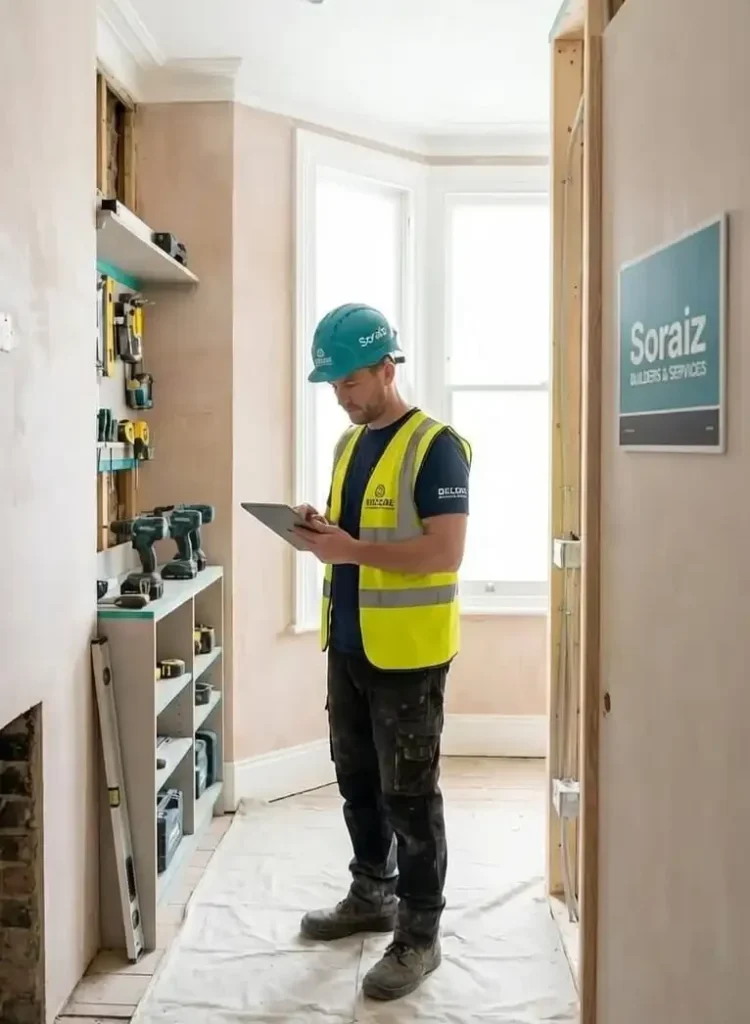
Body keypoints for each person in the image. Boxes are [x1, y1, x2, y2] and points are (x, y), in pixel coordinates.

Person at [293, 303, 472, 1002]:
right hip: (349, 642)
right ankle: (373, 894)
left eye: (351, 383)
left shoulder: (437, 446)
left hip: (409, 655)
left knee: (410, 797)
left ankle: (420, 934)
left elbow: (446, 552)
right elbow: (357, 537)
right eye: (334, 386)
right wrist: (322, 531)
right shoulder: (349, 445)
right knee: (357, 782)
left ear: (387, 369)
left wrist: (350, 548)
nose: (341, 396)